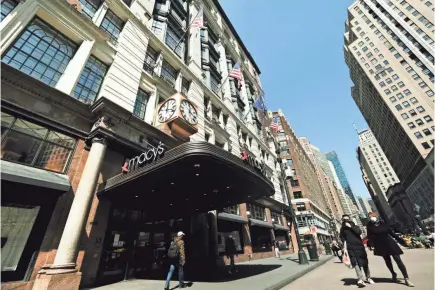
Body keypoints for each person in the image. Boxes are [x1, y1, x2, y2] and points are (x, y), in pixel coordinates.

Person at [366, 212, 414, 287]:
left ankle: (406, 278)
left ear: (376, 216)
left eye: (373, 216)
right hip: (380, 245)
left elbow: (392, 233)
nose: (372, 217)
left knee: (398, 260)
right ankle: (393, 274)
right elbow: (370, 237)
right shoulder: (369, 226)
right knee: (387, 261)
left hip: (390, 243)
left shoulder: (383, 223)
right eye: (370, 217)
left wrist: (401, 240)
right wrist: (371, 245)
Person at [340, 214, 374, 287]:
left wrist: (351, 227)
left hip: (359, 247)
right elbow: (342, 237)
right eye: (344, 219)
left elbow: (358, 232)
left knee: (364, 262)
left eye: (347, 219)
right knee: (355, 263)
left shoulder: (355, 226)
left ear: (349, 219)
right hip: (351, 248)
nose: (346, 221)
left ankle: (368, 277)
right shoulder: (342, 229)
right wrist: (344, 246)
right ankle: (360, 279)